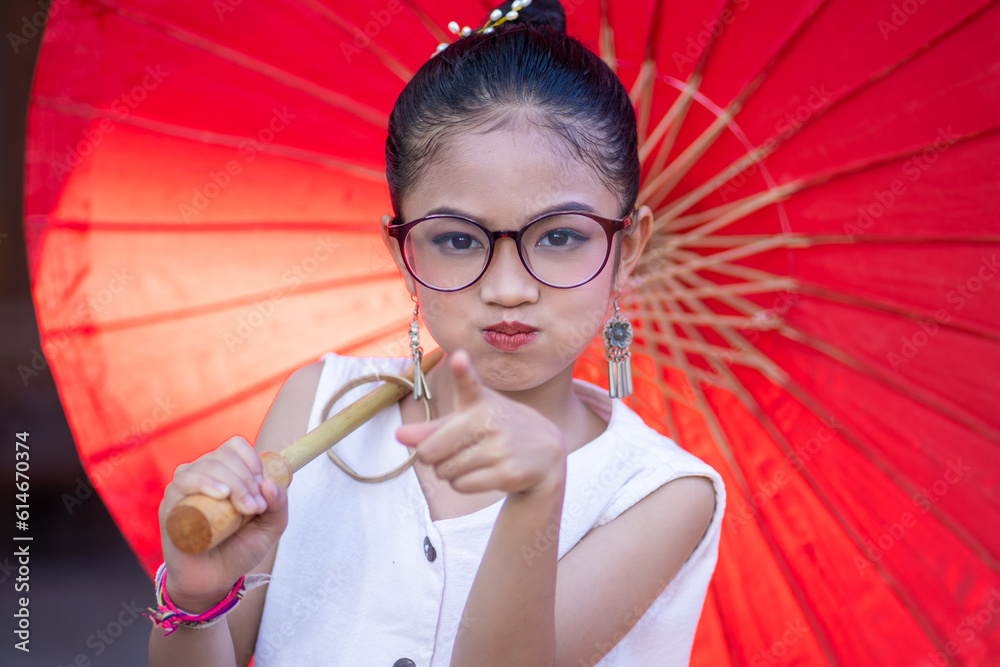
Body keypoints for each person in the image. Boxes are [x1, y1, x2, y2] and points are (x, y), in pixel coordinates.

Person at [148, 0, 725, 665]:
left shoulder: (661, 493)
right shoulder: (315, 413)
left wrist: (535, 500)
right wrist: (194, 599)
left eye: (560, 236)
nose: (508, 287)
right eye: (456, 239)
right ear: (405, 254)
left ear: (629, 247)